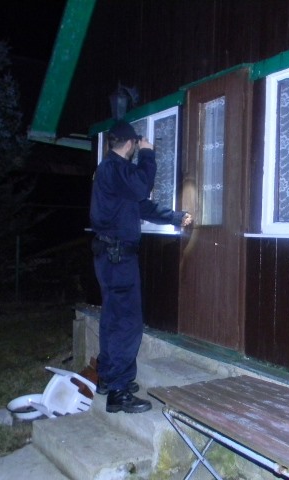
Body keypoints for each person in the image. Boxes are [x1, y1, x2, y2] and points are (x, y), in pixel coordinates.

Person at [90, 120, 192, 413]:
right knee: (127, 323)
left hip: (111, 257)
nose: (138, 148)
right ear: (130, 143)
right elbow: (143, 185)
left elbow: (141, 205)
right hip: (118, 258)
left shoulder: (113, 172)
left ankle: (109, 378)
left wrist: (175, 217)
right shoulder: (115, 168)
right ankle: (119, 392)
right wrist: (149, 154)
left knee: (113, 318)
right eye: (137, 144)